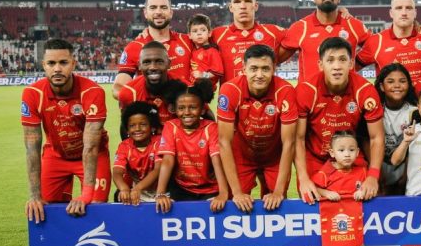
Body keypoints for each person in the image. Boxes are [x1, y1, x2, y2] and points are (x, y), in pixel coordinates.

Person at [21, 38, 111, 222]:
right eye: (51, 63)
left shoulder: (92, 92)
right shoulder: (33, 93)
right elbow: (32, 147)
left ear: (73, 64)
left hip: (93, 154)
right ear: (43, 65)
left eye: (63, 62)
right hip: (56, 156)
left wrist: (86, 194)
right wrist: (34, 195)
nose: (57, 69)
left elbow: (91, 147)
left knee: (95, 207)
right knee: (45, 209)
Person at [295, 37, 385, 204]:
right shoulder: (306, 90)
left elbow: (376, 137)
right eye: (330, 60)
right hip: (316, 157)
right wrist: (303, 178)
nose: (337, 66)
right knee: (311, 199)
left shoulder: (365, 91)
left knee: (366, 196)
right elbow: (298, 138)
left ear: (351, 64)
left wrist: (373, 176)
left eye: (342, 60)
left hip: (350, 154)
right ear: (321, 64)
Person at [216, 45, 297, 213]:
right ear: (244, 68)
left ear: (274, 69)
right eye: (254, 68)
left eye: (265, 69)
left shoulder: (285, 90)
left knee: (277, 204)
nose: (259, 75)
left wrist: (278, 192)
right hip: (242, 154)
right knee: (235, 204)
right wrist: (237, 193)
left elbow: (289, 142)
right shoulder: (230, 90)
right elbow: (224, 141)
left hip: (274, 155)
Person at [154, 80, 229, 213]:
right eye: (181, 108)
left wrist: (223, 193)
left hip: (210, 189)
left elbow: (216, 160)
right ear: (175, 109)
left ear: (202, 109)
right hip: (182, 188)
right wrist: (160, 193)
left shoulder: (211, 128)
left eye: (193, 107)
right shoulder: (171, 126)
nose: (187, 112)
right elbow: (167, 160)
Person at [279, 0, 371, 83]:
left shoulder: (354, 25)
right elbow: (275, 59)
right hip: (310, 93)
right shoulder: (300, 27)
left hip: (345, 93)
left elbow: (376, 48)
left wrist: (356, 64)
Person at [113, 0, 193, 99]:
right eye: (153, 8)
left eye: (163, 7)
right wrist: (144, 102)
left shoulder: (188, 41)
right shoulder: (134, 47)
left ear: (171, 12)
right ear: (145, 13)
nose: (158, 12)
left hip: (183, 108)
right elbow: (118, 88)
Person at [356, 0, 421, 80]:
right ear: (391, 13)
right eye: (399, 8)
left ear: (415, 13)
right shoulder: (375, 41)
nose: (404, 13)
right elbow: (350, 69)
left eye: (408, 8)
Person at [211, 0, 285, 83]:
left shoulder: (273, 32)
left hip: (266, 93)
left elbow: (298, 38)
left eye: (248, 1)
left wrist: (276, 59)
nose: (243, 6)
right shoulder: (216, 35)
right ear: (231, 7)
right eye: (237, 2)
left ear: (256, 6)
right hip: (231, 92)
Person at [116, 41, 187, 126]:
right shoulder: (128, 93)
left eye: (159, 62)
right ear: (139, 65)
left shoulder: (186, 89)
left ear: (168, 64)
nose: (153, 67)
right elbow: (126, 128)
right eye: (147, 62)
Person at [374, 63, 418, 195]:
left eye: (402, 81)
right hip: (379, 164)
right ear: (382, 86)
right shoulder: (374, 110)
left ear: (409, 85)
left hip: (405, 166)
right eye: (390, 81)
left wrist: (407, 174)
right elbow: (367, 141)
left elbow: (415, 148)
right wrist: (376, 172)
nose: (397, 85)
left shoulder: (415, 112)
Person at [112, 102, 162, 205]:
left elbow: (157, 170)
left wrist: (138, 188)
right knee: (119, 195)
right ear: (127, 130)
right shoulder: (124, 146)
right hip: (138, 193)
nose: (137, 129)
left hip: (162, 191)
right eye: (132, 126)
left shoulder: (159, 142)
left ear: (152, 127)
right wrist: (123, 188)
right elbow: (117, 172)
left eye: (143, 124)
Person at [312, 130, 368, 202]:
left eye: (351, 150)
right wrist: (326, 193)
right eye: (341, 150)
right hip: (333, 208)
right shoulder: (325, 173)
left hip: (356, 208)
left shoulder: (363, 171)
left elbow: (371, 189)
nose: (347, 154)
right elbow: (313, 189)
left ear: (357, 152)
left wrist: (363, 191)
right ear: (332, 153)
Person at [187, 13, 224, 90]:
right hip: (192, 87)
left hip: (205, 89)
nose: (199, 33)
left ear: (209, 33)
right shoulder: (192, 50)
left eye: (203, 30)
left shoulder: (212, 51)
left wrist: (202, 75)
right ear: (189, 35)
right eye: (195, 31)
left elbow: (218, 72)